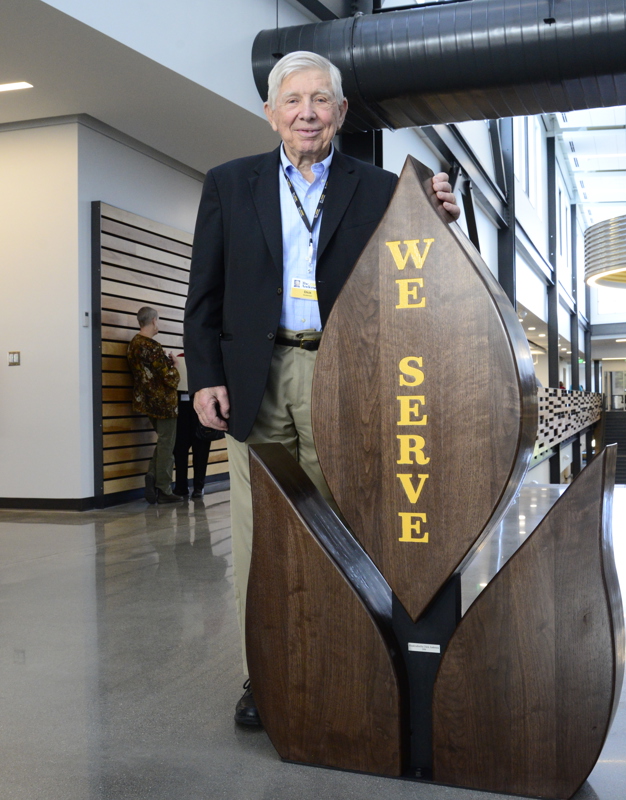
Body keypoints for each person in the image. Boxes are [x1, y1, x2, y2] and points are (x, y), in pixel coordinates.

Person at [183, 51, 460, 728]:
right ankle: (264, 677)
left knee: (346, 531)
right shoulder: (229, 183)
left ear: (340, 113)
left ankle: (351, 664)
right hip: (257, 377)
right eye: (294, 100)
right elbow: (203, 294)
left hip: (345, 377)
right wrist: (204, 377)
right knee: (260, 540)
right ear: (272, 113)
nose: (307, 112)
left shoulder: (378, 189)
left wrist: (437, 222)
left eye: (321, 101)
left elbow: (411, 273)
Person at [127, 306, 183, 505]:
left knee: (163, 441)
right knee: (168, 443)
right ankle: (163, 487)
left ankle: (153, 477)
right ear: (153, 321)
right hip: (164, 403)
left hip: (146, 401)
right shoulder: (152, 346)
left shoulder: (134, 344)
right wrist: (175, 366)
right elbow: (169, 379)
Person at [172, 351, 211, 498]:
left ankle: (198, 487)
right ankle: (181, 486)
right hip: (182, 408)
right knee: (180, 450)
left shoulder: (205, 360)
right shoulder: (179, 359)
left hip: (200, 408)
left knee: (200, 449)